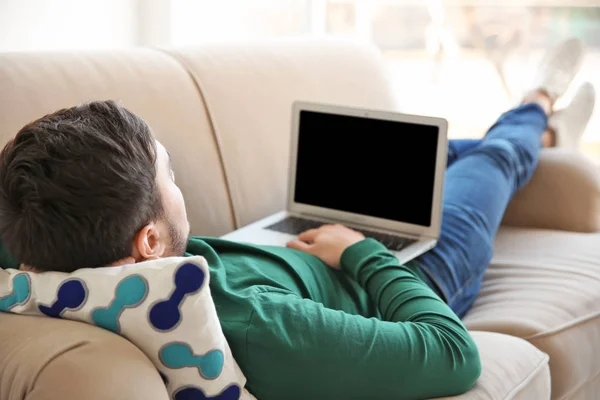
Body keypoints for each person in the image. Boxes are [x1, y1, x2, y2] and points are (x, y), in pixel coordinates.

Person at [0, 38, 595, 400]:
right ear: (150, 241)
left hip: (305, 251)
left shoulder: (44, 247)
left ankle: (506, 139)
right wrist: (360, 252)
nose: (182, 191)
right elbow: (452, 353)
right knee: (492, 159)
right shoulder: (262, 327)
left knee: (445, 155)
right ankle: (537, 108)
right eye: (171, 178)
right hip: (411, 277)